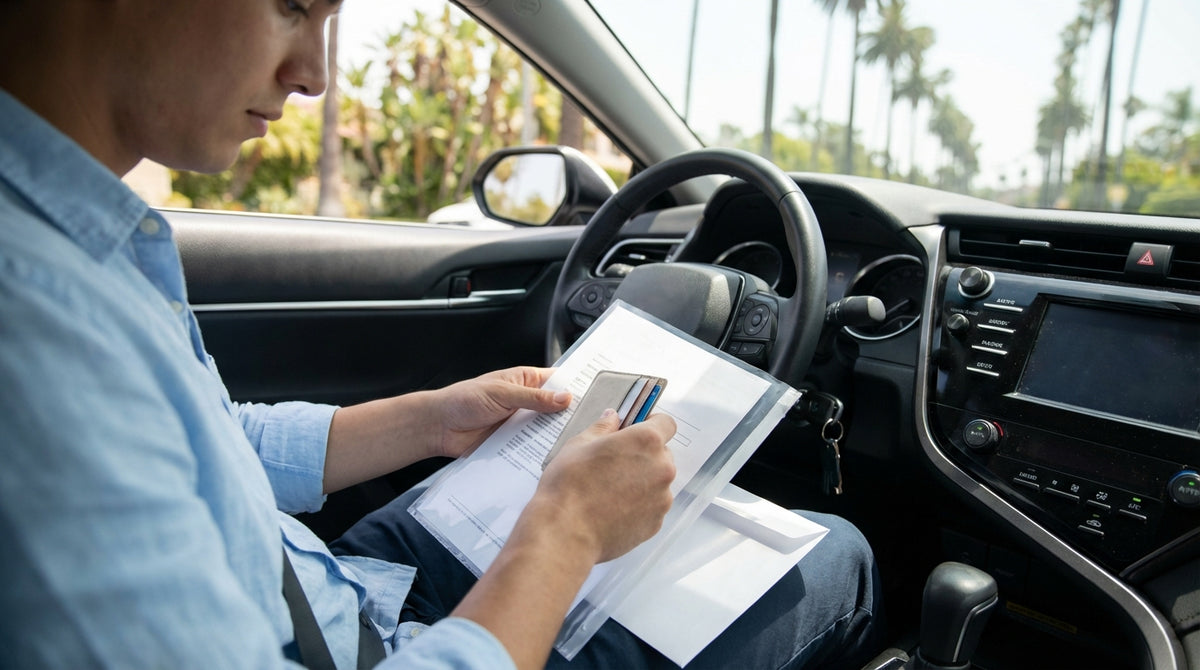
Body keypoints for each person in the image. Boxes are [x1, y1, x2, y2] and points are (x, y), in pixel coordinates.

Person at [0, 1, 881, 668]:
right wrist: (565, 530)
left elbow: (204, 443)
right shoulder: (33, 332)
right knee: (836, 555)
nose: (313, 73)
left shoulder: (77, 244)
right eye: (295, 5)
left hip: (327, 585)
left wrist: (426, 419)